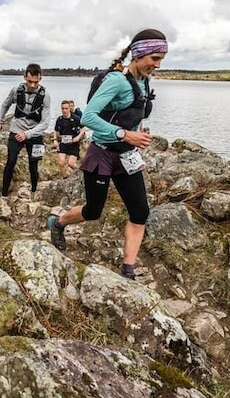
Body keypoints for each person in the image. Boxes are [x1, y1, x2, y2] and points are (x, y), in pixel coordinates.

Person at [46, 29, 166, 280]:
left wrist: (138, 132)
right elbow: (88, 117)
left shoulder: (143, 81)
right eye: (154, 58)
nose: (157, 65)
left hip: (127, 157)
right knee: (93, 211)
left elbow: (133, 112)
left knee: (140, 212)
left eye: (161, 59)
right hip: (102, 154)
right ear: (138, 54)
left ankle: (128, 271)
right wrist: (125, 134)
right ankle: (57, 224)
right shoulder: (116, 81)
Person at [0, 63, 51, 197]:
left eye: (35, 82)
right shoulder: (16, 90)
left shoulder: (45, 96)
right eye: (29, 81)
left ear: (40, 79)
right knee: (11, 161)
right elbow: (5, 105)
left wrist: (28, 134)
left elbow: (45, 122)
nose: (32, 85)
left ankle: (34, 191)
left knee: (33, 164)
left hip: (34, 133)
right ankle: (4, 194)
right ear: (24, 77)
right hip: (17, 129)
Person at [53, 100, 85, 177]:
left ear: (69, 108)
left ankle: (82, 173)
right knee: (61, 162)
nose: (64, 110)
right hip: (63, 143)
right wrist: (55, 140)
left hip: (73, 144)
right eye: (63, 108)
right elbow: (56, 130)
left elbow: (83, 128)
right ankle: (64, 178)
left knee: (71, 164)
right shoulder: (59, 119)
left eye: (66, 108)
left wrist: (78, 137)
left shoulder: (76, 118)